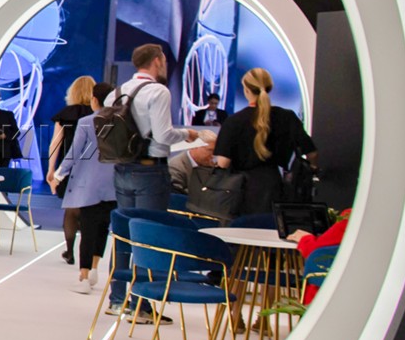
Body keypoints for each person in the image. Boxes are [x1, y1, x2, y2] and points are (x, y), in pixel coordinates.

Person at [104, 46, 196, 319]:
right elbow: (164, 135)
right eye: (164, 60)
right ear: (157, 61)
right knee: (148, 236)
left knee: (123, 233)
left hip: (122, 168)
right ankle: (141, 304)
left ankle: (117, 299)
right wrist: (188, 134)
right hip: (150, 171)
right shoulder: (158, 91)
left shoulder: (115, 93)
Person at [213, 67, 318, 216]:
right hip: (275, 186)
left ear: (246, 90)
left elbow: (223, 163)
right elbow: (311, 152)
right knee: (269, 225)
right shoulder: (287, 117)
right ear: (269, 88)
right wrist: (313, 166)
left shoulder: (234, 121)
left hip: (241, 189)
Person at [53, 81, 116, 293]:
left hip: (89, 184)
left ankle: (84, 275)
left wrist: (59, 174)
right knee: (103, 227)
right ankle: (95, 267)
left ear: (94, 100)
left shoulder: (87, 122)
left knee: (88, 228)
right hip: (113, 184)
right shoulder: (120, 122)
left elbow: (74, 152)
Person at [43, 74, 97, 264]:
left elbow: (55, 144)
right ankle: (87, 253)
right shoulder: (97, 115)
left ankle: (70, 251)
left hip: (70, 166)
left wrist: (51, 169)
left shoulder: (66, 114)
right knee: (90, 211)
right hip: (93, 167)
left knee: (71, 209)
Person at [168, 128, 219, 195]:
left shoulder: (210, 164)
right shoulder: (176, 167)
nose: (213, 155)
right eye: (210, 150)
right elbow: (177, 194)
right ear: (194, 147)